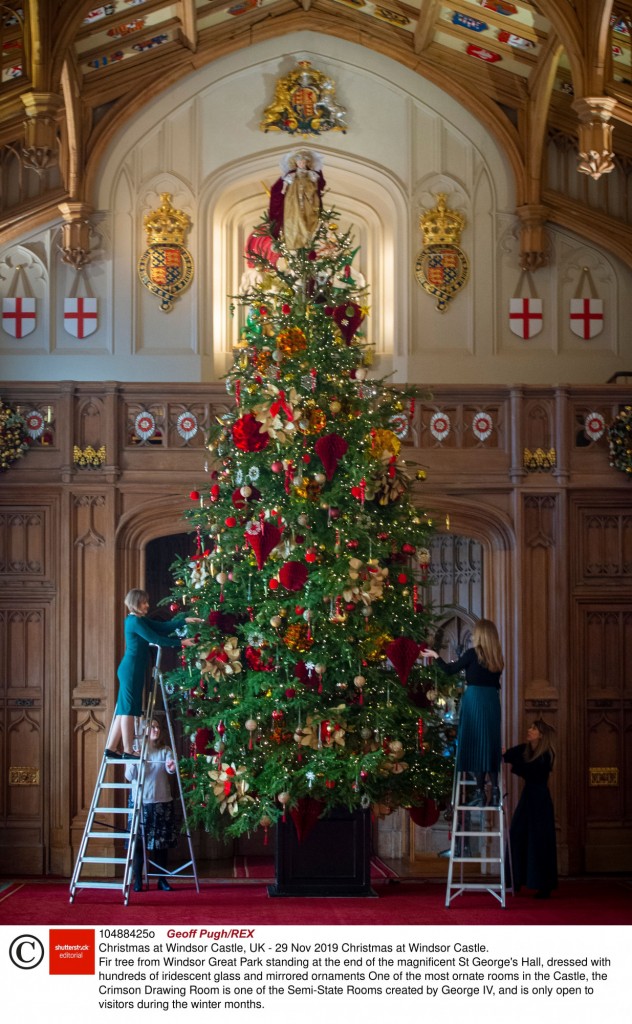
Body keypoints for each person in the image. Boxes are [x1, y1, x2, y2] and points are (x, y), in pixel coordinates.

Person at [105, 588, 199, 759]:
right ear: (135, 603)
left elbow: (162, 627)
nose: (147, 605)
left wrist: (184, 621)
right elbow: (156, 639)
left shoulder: (139, 620)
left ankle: (111, 748)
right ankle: (128, 750)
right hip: (131, 669)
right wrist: (181, 642)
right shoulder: (134, 622)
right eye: (143, 602)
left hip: (132, 669)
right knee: (128, 711)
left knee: (123, 709)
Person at [425, 618, 504, 806]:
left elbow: (450, 670)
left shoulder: (471, 654)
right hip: (492, 701)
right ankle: (494, 791)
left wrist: (436, 656)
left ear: (479, 635)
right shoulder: (497, 657)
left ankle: (479, 792)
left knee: (475, 744)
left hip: (474, 700)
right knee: (490, 744)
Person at [503, 719, 558, 899]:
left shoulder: (546, 755)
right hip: (529, 797)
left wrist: (514, 763)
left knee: (540, 840)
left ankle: (544, 885)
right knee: (517, 834)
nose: (529, 730)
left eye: (533, 729)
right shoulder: (525, 749)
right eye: (531, 727)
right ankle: (516, 880)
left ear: (541, 735)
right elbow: (508, 755)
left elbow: (530, 771)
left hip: (540, 800)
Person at [126, 717, 178, 891]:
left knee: (160, 844)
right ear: (145, 730)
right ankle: (137, 880)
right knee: (139, 844)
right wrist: (135, 759)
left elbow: (171, 768)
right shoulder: (137, 749)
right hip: (140, 802)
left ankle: (162, 879)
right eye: (152, 727)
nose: (156, 730)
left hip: (161, 802)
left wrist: (171, 765)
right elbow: (129, 776)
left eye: (158, 727)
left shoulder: (165, 750)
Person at [268, 149, 325, 250]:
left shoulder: (310, 174)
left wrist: (313, 186)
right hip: (293, 199)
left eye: (303, 162)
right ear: (296, 163)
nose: (302, 164)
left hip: (308, 198)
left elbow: (317, 184)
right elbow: (285, 183)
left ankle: (308, 238)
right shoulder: (292, 175)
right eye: (299, 162)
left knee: (309, 216)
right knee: (293, 217)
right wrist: (283, 190)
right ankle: (295, 241)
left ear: (306, 163)